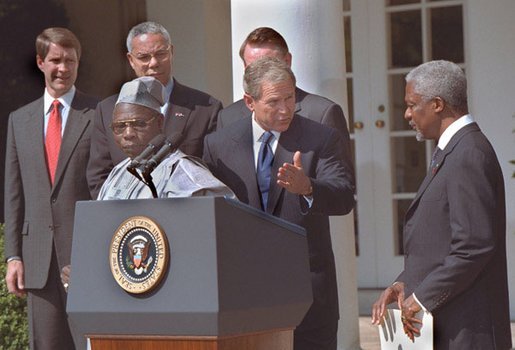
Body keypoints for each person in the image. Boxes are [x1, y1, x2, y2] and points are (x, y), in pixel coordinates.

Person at [203, 57, 355, 350]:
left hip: (309, 295)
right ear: (250, 102)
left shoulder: (320, 137)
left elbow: (343, 195)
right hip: (244, 297)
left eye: (290, 97)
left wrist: (308, 187)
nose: (286, 109)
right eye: (274, 101)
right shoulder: (218, 145)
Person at [371, 60, 512, 349]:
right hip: (449, 327)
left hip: (469, 331)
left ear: (437, 104)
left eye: (412, 105)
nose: (407, 114)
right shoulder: (451, 150)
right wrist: (404, 283)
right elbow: (438, 242)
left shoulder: (469, 153)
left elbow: (473, 247)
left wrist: (422, 298)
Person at [3, 27, 98, 350]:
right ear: (40, 62)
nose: (63, 68)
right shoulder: (20, 120)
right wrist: (13, 255)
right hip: (37, 259)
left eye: (70, 60)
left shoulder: (97, 114)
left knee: (91, 344)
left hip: (87, 257)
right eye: (56, 60)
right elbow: (14, 194)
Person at [87, 21, 222, 198]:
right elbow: (99, 176)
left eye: (161, 54)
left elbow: (213, 170)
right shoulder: (107, 109)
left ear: (171, 52)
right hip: (127, 219)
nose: (154, 63)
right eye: (144, 57)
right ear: (131, 60)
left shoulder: (206, 108)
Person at [97, 76, 233, 200]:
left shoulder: (184, 173)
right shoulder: (117, 173)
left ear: (160, 122)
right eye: (120, 126)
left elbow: (223, 215)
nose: (128, 134)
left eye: (138, 124)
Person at [217, 27, 350, 148]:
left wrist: (302, 176)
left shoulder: (322, 113)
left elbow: (341, 173)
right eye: (253, 67)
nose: (261, 73)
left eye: (269, 65)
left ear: (287, 61)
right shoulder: (228, 117)